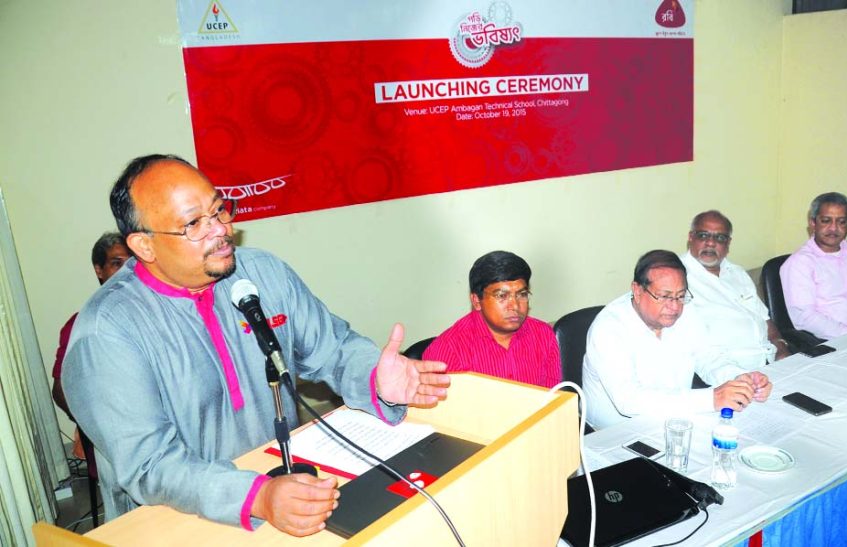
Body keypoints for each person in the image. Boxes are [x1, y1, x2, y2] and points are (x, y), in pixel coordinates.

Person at [62, 154, 450, 537]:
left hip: (284, 495)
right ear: (144, 246)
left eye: (219, 211)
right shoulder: (106, 332)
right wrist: (257, 496)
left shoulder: (261, 272)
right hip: (178, 523)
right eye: (194, 224)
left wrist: (375, 378)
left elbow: (332, 348)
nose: (220, 230)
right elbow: (150, 466)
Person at [582, 250, 772, 429]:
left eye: (680, 296)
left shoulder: (686, 311)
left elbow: (708, 357)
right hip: (616, 436)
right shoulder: (609, 328)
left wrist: (739, 379)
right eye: (664, 296)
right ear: (638, 291)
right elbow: (629, 400)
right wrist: (712, 398)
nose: (674, 307)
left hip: (677, 418)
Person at [422, 251, 561, 388]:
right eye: (502, 296)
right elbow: (439, 410)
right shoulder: (448, 350)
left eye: (522, 294)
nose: (515, 306)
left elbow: (554, 400)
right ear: (476, 300)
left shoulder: (543, 335)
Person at [681, 210, 791, 368]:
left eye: (720, 237)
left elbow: (764, 318)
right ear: (691, 237)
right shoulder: (678, 276)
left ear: (728, 243)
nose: (711, 243)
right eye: (703, 235)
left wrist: (780, 346)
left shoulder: (737, 273)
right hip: (727, 370)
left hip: (769, 361)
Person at [780, 192, 847, 340]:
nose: (833, 228)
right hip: (835, 338)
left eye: (841, 222)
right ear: (813, 223)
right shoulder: (800, 263)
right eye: (826, 221)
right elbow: (805, 317)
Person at [51, 232, 131, 420]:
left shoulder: (154, 312)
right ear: (99, 270)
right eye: (117, 263)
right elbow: (60, 390)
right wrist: (93, 427)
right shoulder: (81, 324)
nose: (127, 271)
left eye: (131, 263)